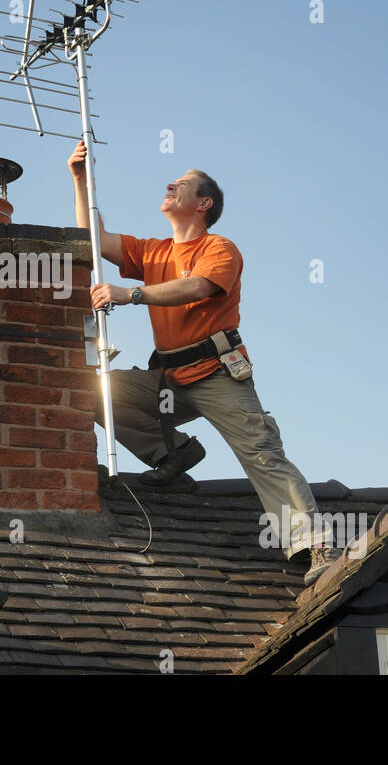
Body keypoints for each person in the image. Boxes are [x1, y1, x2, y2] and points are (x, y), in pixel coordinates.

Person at [67, 139, 342, 585]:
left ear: (203, 203)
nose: (170, 186)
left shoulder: (221, 249)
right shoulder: (153, 250)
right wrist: (80, 180)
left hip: (216, 374)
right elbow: (93, 238)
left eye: (182, 184)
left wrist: (130, 293)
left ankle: (316, 545)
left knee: (261, 453)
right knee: (92, 389)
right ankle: (173, 455)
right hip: (169, 376)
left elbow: (195, 288)